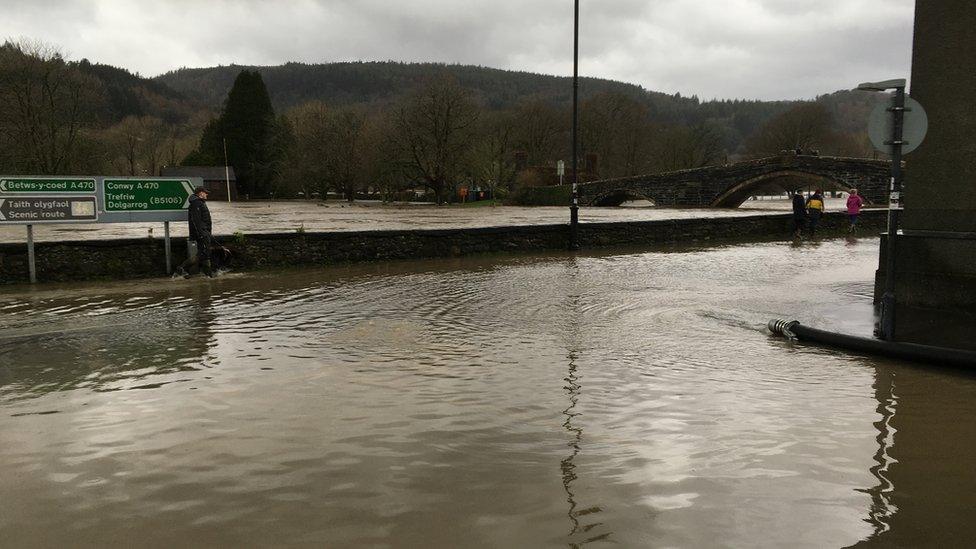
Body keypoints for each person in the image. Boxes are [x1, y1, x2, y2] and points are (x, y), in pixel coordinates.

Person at [175, 186, 216, 278]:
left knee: (205, 253)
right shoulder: (196, 204)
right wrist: (202, 233)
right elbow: (196, 221)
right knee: (203, 253)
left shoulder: (199, 203)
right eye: (205, 193)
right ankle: (181, 268)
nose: (207, 194)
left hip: (204, 233)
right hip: (201, 234)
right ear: (200, 193)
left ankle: (209, 275)